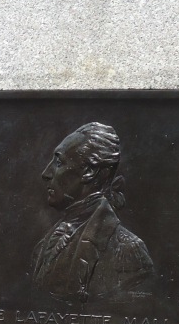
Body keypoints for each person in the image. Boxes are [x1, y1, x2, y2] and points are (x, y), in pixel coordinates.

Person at [32, 122, 154, 302]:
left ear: (89, 171)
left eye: (59, 162)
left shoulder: (128, 251)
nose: (46, 173)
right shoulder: (45, 244)